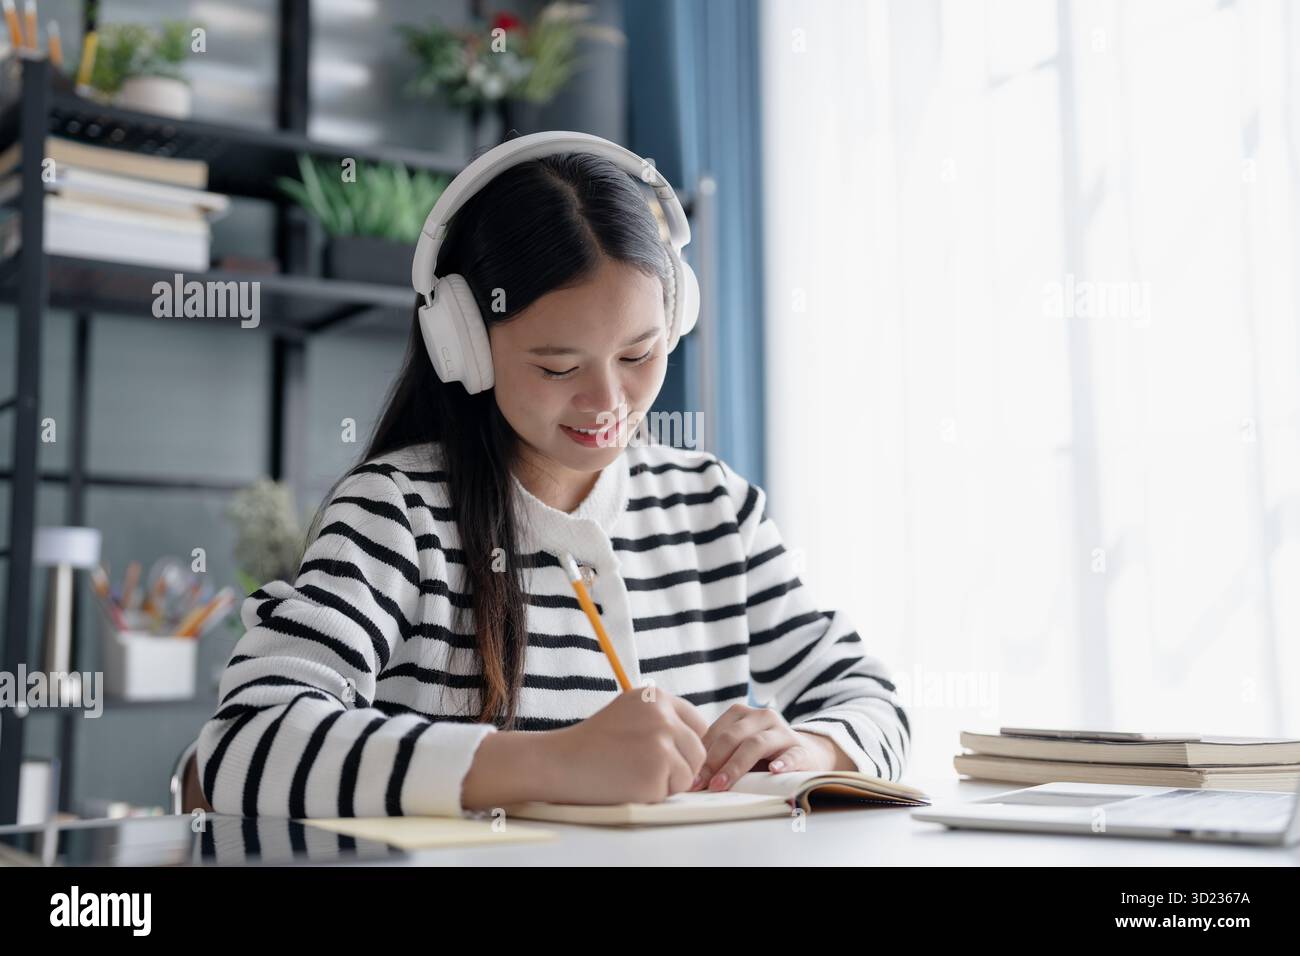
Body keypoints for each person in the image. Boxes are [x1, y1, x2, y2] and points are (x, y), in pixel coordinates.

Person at [196, 133, 910, 818]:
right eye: (558, 367)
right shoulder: (398, 515)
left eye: (640, 356)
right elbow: (244, 743)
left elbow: (871, 698)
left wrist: (810, 745)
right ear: (464, 345)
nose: (608, 404)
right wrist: (551, 762)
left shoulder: (717, 509)